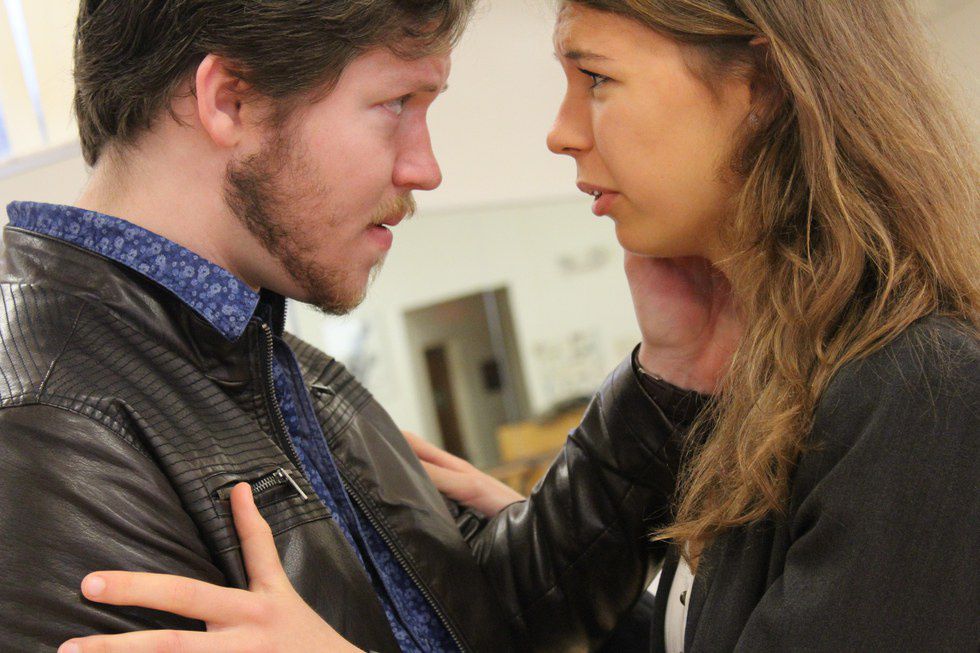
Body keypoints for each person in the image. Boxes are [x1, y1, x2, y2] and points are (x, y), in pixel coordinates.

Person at [58, 0, 980, 651]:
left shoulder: (917, 390)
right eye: (396, 105)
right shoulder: (73, 417)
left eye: (597, 78)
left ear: (764, 85)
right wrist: (549, 539)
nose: (559, 131)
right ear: (226, 100)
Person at [0, 1, 682, 651]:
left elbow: (468, 626)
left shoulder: (277, 364)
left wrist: (667, 378)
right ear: (230, 101)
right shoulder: (49, 431)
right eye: (396, 103)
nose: (425, 169)